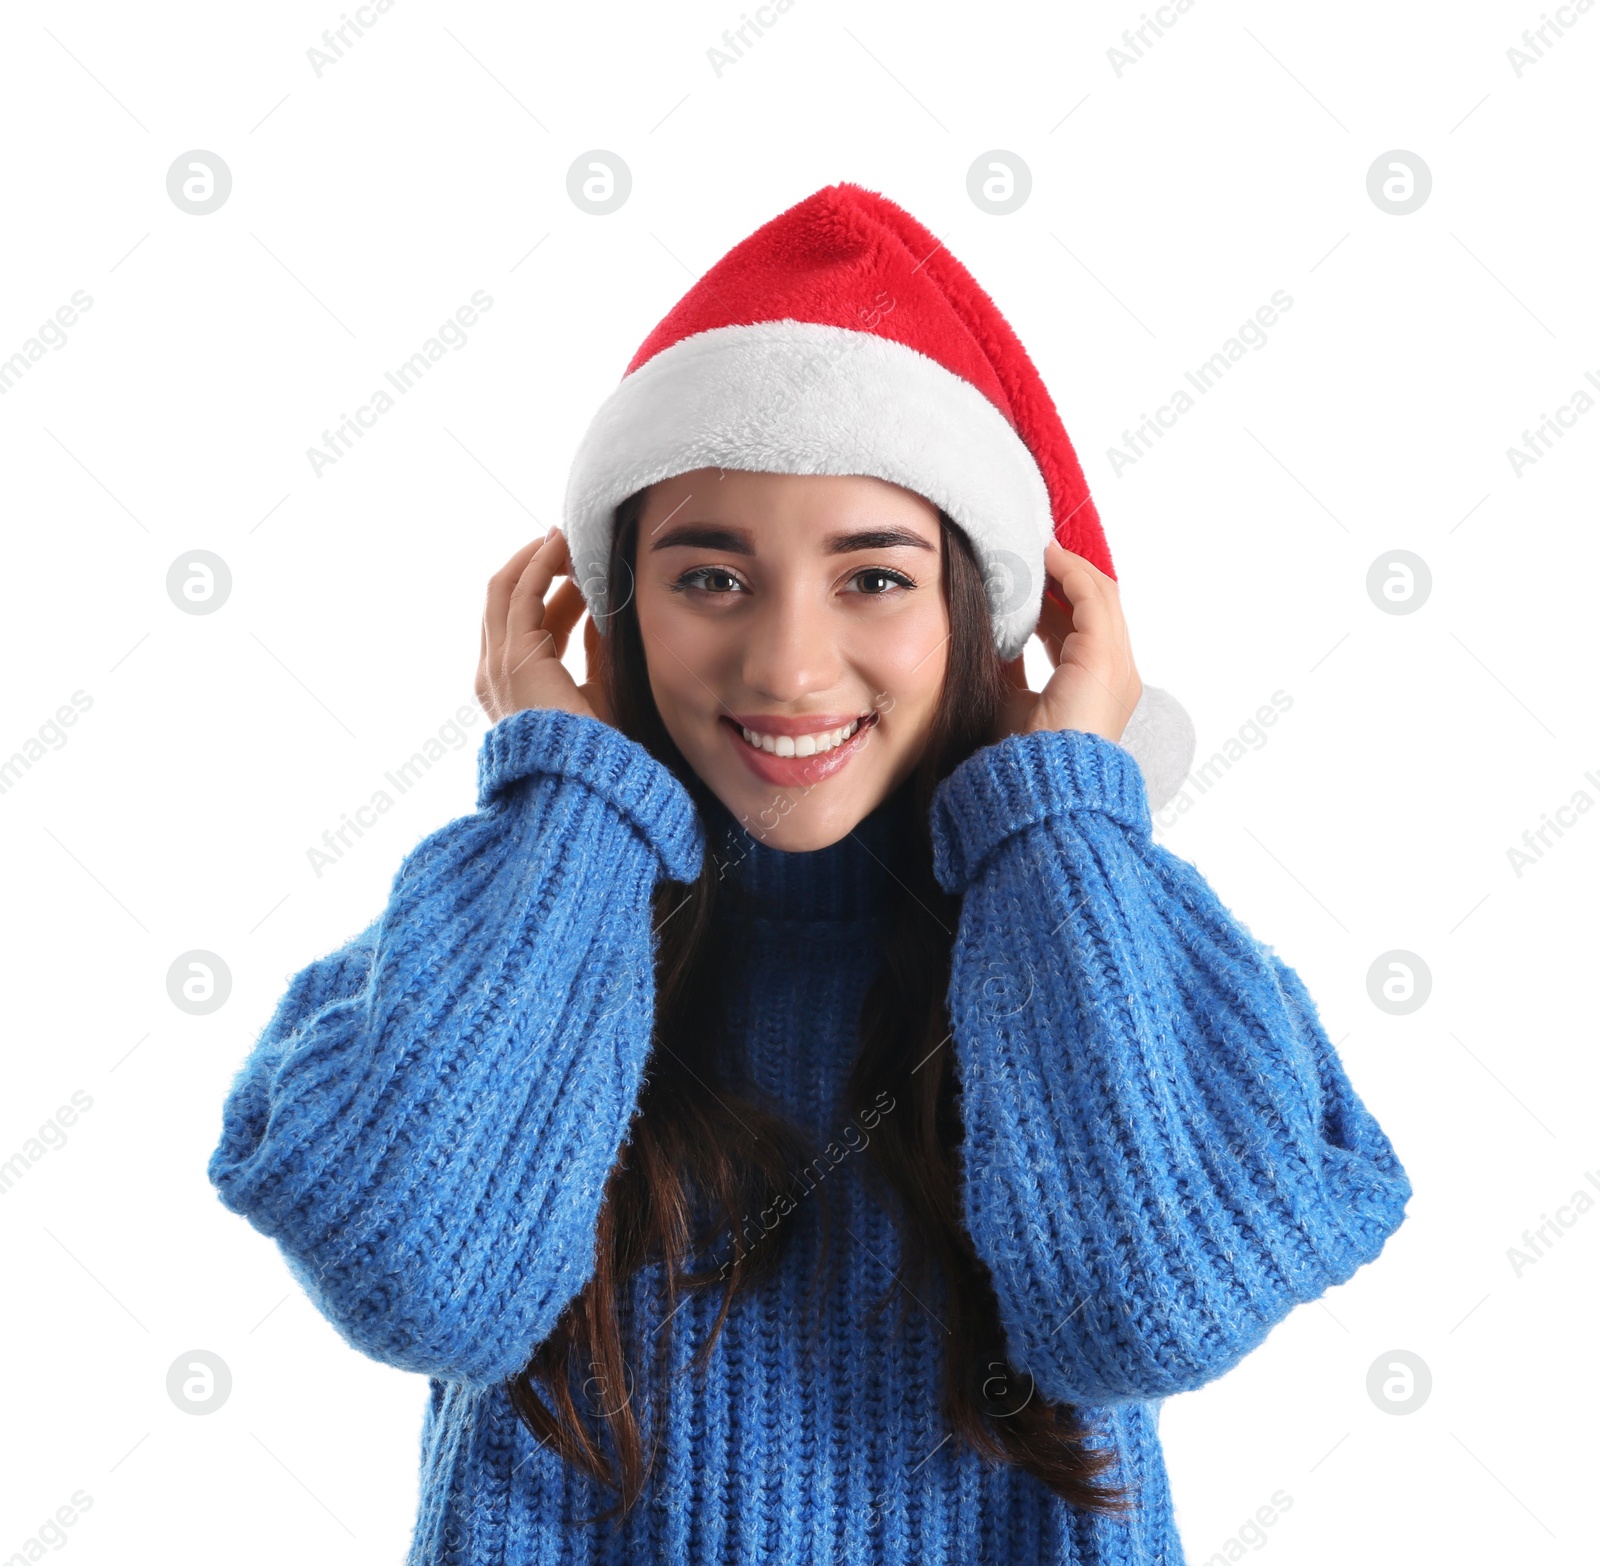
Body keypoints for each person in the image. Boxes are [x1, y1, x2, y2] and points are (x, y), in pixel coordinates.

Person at [207, 183, 1411, 1565]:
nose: (785, 666)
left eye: (875, 578)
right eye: (710, 578)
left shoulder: (1118, 936)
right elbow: (425, 1290)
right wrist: (572, 799)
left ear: (994, 608)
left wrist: (1060, 820)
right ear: (608, 614)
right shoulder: (506, 926)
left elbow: (1147, 1314)